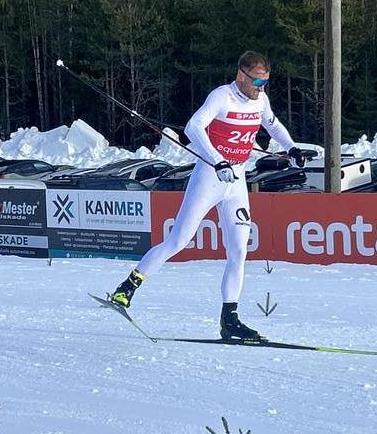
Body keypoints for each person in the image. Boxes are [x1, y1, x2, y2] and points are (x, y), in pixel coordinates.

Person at [110, 51, 303, 341]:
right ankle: (127, 287)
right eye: (256, 80)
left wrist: (291, 148)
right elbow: (193, 127)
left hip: (236, 180)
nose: (261, 87)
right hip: (210, 176)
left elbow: (272, 124)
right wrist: (217, 160)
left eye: (266, 81)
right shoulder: (222, 97)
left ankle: (230, 319)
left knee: (239, 251)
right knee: (178, 241)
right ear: (241, 75)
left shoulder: (260, 99)